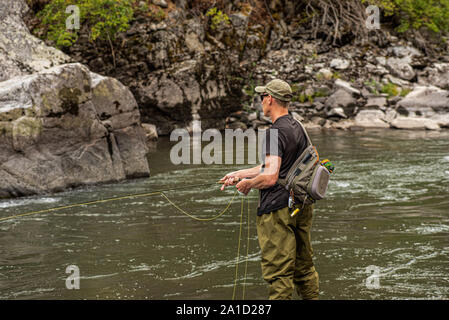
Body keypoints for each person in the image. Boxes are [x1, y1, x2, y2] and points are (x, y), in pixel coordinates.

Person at [220, 79, 319, 300]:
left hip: (278, 211)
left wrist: (248, 184)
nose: (261, 102)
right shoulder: (297, 126)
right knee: (304, 269)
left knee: (279, 274)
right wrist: (240, 174)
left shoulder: (274, 133)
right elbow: (278, 166)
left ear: (270, 99)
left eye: (262, 97)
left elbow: (271, 177)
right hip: (300, 205)